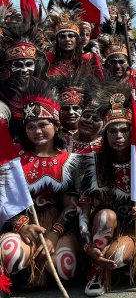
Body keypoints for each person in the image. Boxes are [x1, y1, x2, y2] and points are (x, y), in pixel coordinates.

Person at [0, 93, 82, 289]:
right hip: (23, 225)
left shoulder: (71, 161)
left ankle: (40, 273)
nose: (37, 131)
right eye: (31, 126)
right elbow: (4, 199)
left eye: (43, 124)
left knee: (64, 265)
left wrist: (54, 235)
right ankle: (24, 273)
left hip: (58, 227)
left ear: (56, 126)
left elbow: (72, 207)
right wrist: (22, 226)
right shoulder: (14, 158)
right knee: (11, 254)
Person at [78, 90, 136, 296]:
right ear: (104, 134)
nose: (118, 136)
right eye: (112, 131)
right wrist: (88, 245)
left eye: (125, 130)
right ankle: (96, 270)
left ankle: (126, 262)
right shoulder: (92, 162)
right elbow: (83, 210)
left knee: (117, 257)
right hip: (103, 229)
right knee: (105, 216)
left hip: (134, 230)